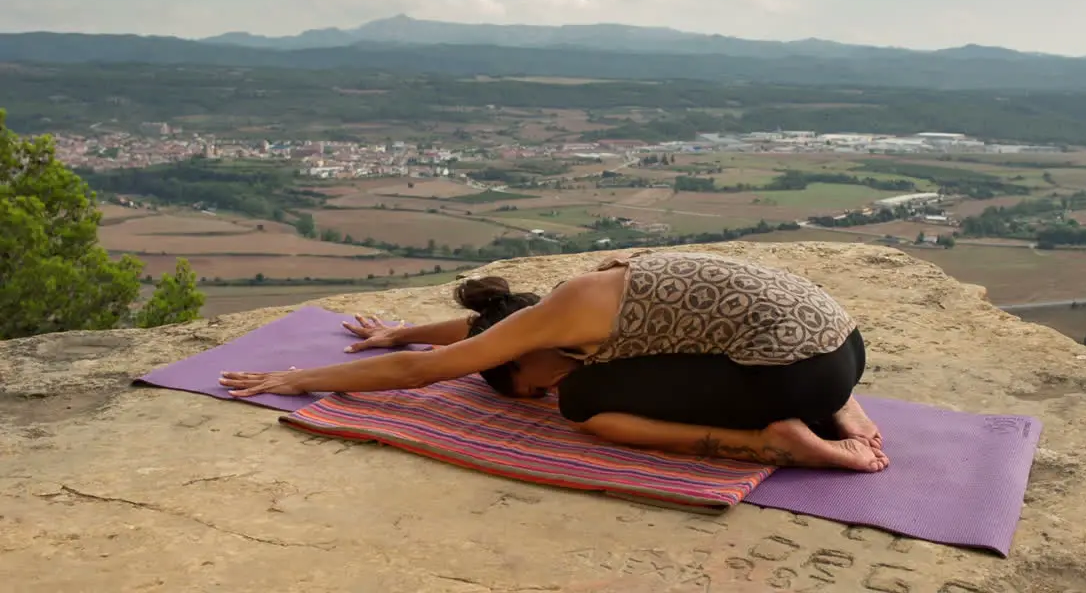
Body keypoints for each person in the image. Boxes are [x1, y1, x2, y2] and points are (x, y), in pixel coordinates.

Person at [219, 251, 888, 472]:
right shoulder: (574, 302)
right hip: (840, 344)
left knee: (588, 405)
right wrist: (400, 332)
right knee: (691, 348)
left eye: (526, 390)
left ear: (518, 357)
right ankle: (832, 406)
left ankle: (768, 438)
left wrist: (299, 378)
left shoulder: (553, 326)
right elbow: (486, 327)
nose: (541, 394)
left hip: (793, 369)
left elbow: (427, 372)